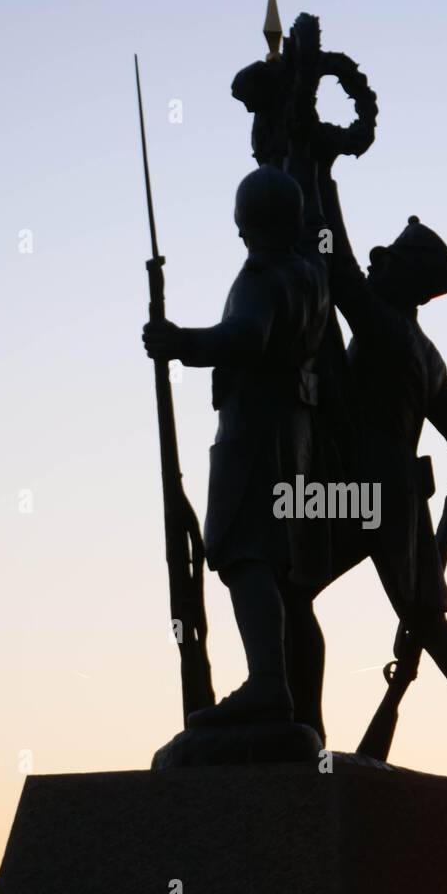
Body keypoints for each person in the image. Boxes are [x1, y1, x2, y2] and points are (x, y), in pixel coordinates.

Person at [319, 166, 447, 780]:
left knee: (283, 588)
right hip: (399, 496)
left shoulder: (383, 325)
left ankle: (294, 724)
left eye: (388, 259)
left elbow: (337, 265)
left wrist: (325, 178)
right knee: (426, 619)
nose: (375, 261)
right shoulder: (427, 356)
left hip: (359, 494)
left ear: (404, 278)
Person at [142, 164, 331, 740]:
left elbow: (247, 336)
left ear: (241, 223)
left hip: (252, 431)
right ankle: (271, 679)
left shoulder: (259, 277)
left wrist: (181, 344)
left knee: (241, 552)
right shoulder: (312, 274)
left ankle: (268, 681)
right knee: (265, 558)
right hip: (293, 435)